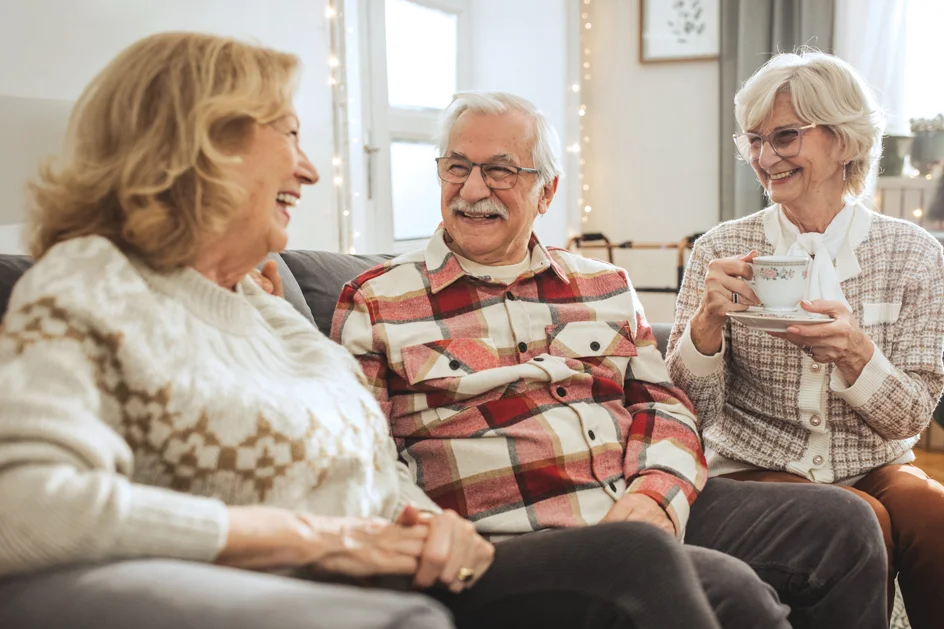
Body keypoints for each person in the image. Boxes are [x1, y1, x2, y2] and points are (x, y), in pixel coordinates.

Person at [0, 32, 729, 629]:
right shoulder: (90, 281)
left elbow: (383, 468)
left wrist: (424, 524)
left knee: (732, 572)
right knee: (636, 565)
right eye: (288, 133)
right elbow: (25, 509)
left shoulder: (268, 315)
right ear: (203, 145)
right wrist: (327, 540)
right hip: (341, 587)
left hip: (434, 563)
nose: (311, 168)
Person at [332, 90, 888, 629]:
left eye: (500, 170)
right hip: (514, 536)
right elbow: (363, 455)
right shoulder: (377, 300)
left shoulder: (604, 286)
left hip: (631, 499)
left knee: (845, 524)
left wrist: (658, 495)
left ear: (546, 192)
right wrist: (429, 533)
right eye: (457, 166)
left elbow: (664, 407)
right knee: (728, 589)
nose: (473, 188)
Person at [666, 49, 944, 629]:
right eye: (755, 141)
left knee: (930, 509)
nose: (766, 158)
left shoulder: (915, 254)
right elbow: (689, 412)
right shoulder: (722, 249)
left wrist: (855, 354)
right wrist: (707, 326)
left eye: (785, 136)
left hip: (873, 460)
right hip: (756, 463)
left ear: (843, 140)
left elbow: (910, 414)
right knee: (857, 516)